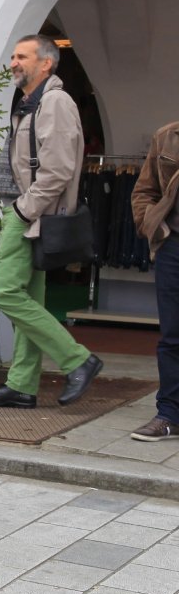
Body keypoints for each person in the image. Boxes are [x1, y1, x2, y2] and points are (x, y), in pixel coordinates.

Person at [0, 35, 101, 409]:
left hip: (29, 215)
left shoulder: (55, 102)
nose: (13, 62)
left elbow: (57, 170)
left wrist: (22, 211)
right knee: (28, 298)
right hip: (29, 214)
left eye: (22, 56)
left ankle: (78, 360)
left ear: (46, 63)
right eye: (13, 56)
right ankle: (22, 385)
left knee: (5, 293)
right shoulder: (31, 103)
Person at [128, 118, 179, 438]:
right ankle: (169, 414)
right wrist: (153, 227)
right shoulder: (168, 136)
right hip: (174, 246)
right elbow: (144, 191)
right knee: (172, 336)